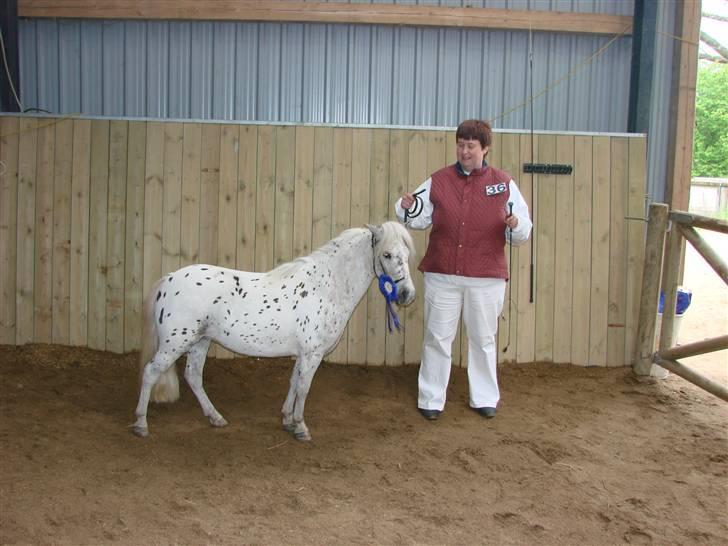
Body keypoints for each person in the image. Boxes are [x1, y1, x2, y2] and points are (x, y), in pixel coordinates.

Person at [395, 119, 532, 421]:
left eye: (471, 146)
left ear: (485, 148)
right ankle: (431, 398)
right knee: (437, 337)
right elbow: (415, 215)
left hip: (486, 278)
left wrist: (515, 225)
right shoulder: (439, 180)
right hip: (442, 274)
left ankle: (485, 397)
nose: (464, 151)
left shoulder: (504, 183)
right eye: (460, 144)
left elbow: (523, 230)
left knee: (484, 339)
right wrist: (407, 206)